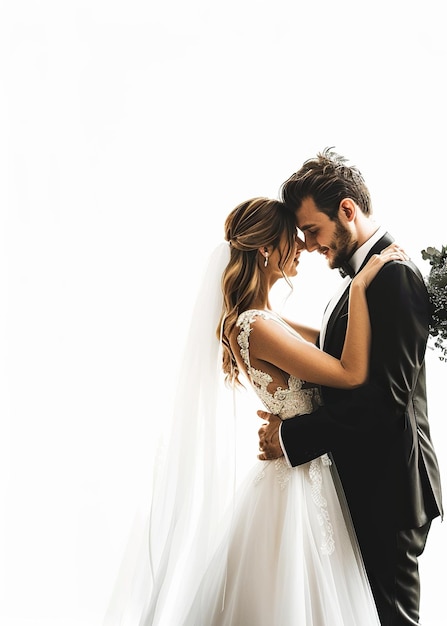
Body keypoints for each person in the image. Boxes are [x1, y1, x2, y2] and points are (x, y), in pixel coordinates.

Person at [104, 196, 406, 625]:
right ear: (266, 249)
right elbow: (351, 372)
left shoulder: (265, 319)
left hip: (311, 469)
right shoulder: (255, 325)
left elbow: (331, 341)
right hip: (299, 478)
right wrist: (359, 287)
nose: (302, 247)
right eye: (291, 240)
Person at [258, 149, 444, 626]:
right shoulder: (365, 276)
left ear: (346, 210)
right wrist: (263, 325)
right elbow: (338, 356)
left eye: (313, 230)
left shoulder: (393, 276)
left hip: (389, 491)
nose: (309, 245)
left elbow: (384, 402)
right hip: (365, 482)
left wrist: (289, 437)